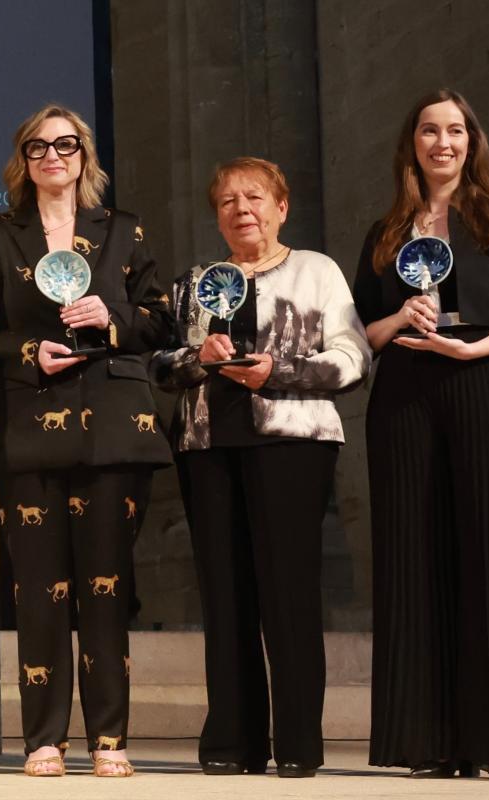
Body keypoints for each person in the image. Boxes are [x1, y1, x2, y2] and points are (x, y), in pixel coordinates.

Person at [156, 157, 369, 779]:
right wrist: (198, 356)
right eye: (228, 201)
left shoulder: (316, 270)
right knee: (225, 598)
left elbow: (353, 356)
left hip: (292, 445)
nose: (241, 209)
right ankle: (232, 742)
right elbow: (159, 365)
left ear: (282, 207)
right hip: (208, 446)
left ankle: (297, 742)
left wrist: (280, 370)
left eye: (254, 197)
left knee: (288, 594)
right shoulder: (195, 282)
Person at [0, 105, 173, 778]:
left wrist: (110, 316)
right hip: (30, 422)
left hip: (115, 427)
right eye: (38, 147)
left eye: (65, 145)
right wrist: (26, 351)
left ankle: (109, 739)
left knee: (106, 589)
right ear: (23, 160)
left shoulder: (122, 229)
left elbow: (161, 320)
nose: (53, 156)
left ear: (84, 156)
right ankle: (43, 739)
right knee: (38, 592)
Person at [355, 89, 489, 780]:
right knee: (413, 555)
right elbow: (362, 330)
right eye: (429, 131)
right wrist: (399, 318)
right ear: (411, 144)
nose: (443, 142)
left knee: (485, 550)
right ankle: (428, 740)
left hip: (481, 379)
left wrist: (475, 349)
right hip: (405, 390)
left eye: (455, 130)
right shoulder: (387, 231)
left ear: (472, 141)